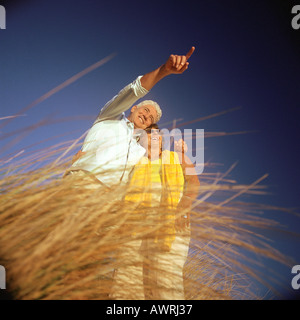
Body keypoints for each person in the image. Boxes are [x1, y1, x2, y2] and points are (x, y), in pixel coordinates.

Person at [65, 47, 195, 190]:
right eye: (145, 110)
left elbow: (160, 170)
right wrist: (164, 70)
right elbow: (135, 90)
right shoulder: (111, 116)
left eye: (151, 118)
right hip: (84, 182)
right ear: (134, 108)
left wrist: (180, 153)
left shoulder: (141, 150)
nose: (146, 116)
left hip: (113, 202)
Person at [110, 124, 200, 300]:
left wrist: (183, 207)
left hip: (170, 221)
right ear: (141, 140)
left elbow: (194, 182)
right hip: (134, 225)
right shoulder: (135, 163)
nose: (153, 135)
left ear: (161, 140)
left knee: (165, 280)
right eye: (148, 133)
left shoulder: (177, 157)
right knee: (126, 280)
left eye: (157, 133)